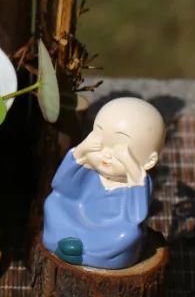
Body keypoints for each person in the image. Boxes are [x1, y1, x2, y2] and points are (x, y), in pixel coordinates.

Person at [41, 97, 165, 270]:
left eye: (119, 151)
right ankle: (60, 242)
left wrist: (131, 167)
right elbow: (62, 188)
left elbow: (135, 217)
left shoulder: (136, 183)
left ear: (149, 161)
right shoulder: (92, 170)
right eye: (100, 144)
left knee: (128, 234)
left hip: (109, 232)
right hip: (79, 215)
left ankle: (88, 254)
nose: (106, 155)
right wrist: (81, 152)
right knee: (53, 202)